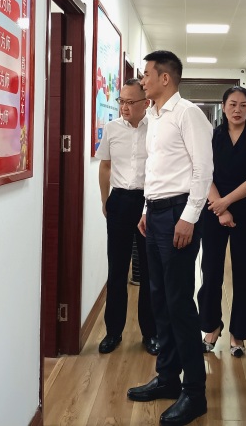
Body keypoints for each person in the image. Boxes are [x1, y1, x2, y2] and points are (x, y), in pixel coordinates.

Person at [127, 50, 213, 426]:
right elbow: (157, 170)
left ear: (165, 78)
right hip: (156, 213)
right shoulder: (155, 116)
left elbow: (203, 169)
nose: (142, 80)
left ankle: (194, 392)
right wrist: (147, 209)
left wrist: (189, 217)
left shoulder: (187, 114)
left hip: (179, 213)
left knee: (179, 303)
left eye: (146, 74)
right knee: (158, 298)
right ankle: (167, 377)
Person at [198, 87, 246, 358]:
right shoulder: (211, 136)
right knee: (210, 271)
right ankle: (211, 326)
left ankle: (238, 334)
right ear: (224, 106)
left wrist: (226, 203)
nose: (237, 110)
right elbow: (203, 173)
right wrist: (220, 207)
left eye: (243, 105)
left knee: (243, 273)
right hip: (213, 209)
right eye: (232, 104)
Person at [96, 78, 159, 356]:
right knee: (117, 269)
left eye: (130, 102)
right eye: (121, 101)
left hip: (149, 202)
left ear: (146, 103)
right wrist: (104, 200)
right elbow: (105, 166)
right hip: (120, 201)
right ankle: (113, 332)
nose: (124, 107)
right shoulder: (112, 129)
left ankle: (150, 333)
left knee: (149, 271)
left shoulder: (156, 128)